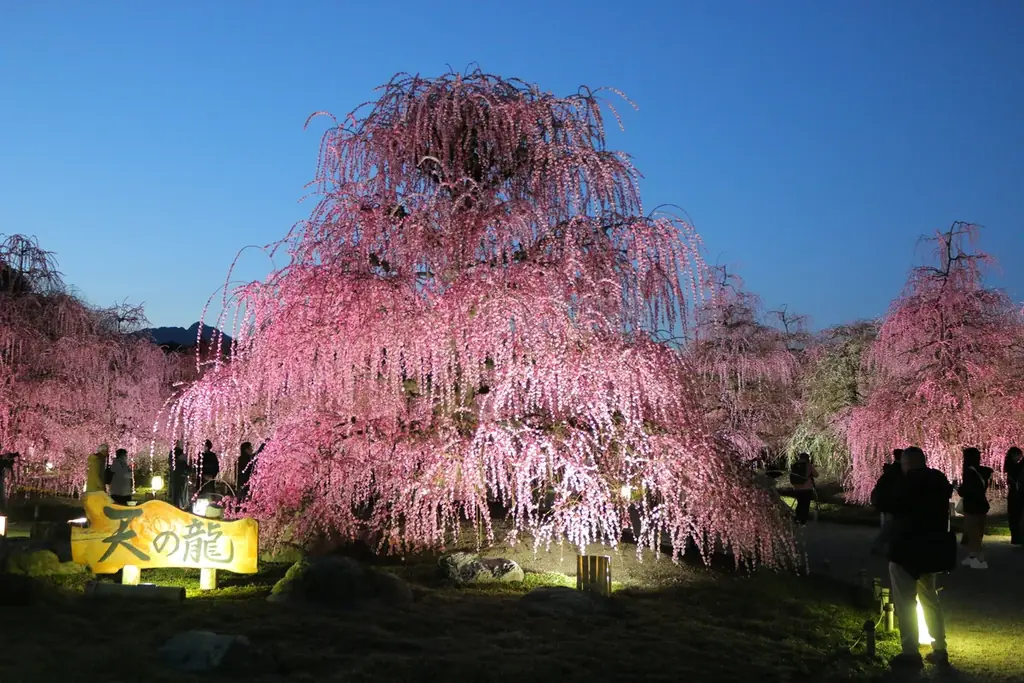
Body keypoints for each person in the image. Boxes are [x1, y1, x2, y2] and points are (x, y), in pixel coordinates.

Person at [876, 445, 956, 670]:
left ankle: (910, 653)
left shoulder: (906, 484)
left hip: (905, 550)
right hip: (931, 551)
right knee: (930, 600)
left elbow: (880, 500)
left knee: (905, 602)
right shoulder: (937, 482)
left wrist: (889, 476)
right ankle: (940, 649)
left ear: (906, 465)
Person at [958, 446, 993, 569]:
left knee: (973, 532)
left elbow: (968, 490)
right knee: (976, 530)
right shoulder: (982, 471)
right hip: (981, 504)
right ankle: (973, 556)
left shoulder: (970, 472)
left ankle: (980, 560)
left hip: (972, 505)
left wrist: (959, 489)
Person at [870, 448, 904, 556]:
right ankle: (881, 547)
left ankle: (885, 548)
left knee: (889, 527)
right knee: (889, 528)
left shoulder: (891, 470)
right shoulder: (898, 471)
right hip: (892, 504)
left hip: (887, 503)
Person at [789, 453, 817, 525]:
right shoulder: (809, 465)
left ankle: (797, 517)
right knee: (806, 504)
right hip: (807, 488)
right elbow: (816, 475)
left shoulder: (794, 465)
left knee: (800, 503)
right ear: (807, 458)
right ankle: (803, 520)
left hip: (796, 488)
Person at [1006, 446, 1023, 546]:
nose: (1020, 458)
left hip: (1014, 494)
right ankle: (1016, 538)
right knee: (1015, 516)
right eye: (1019, 456)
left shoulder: (1010, 465)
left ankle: (1016, 538)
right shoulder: (1013, 466)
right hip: (1016, 495)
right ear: (1014, 455)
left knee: (1014, 516)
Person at [168, 441, 192, 509]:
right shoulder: (173, 452)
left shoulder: (183, 452)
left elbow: (188, 464)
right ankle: (177, 506)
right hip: (177, 474)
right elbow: (171, 463)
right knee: (178, 491)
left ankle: (181, 505)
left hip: (182, 475)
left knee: (182, 491)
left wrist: (188, 470)